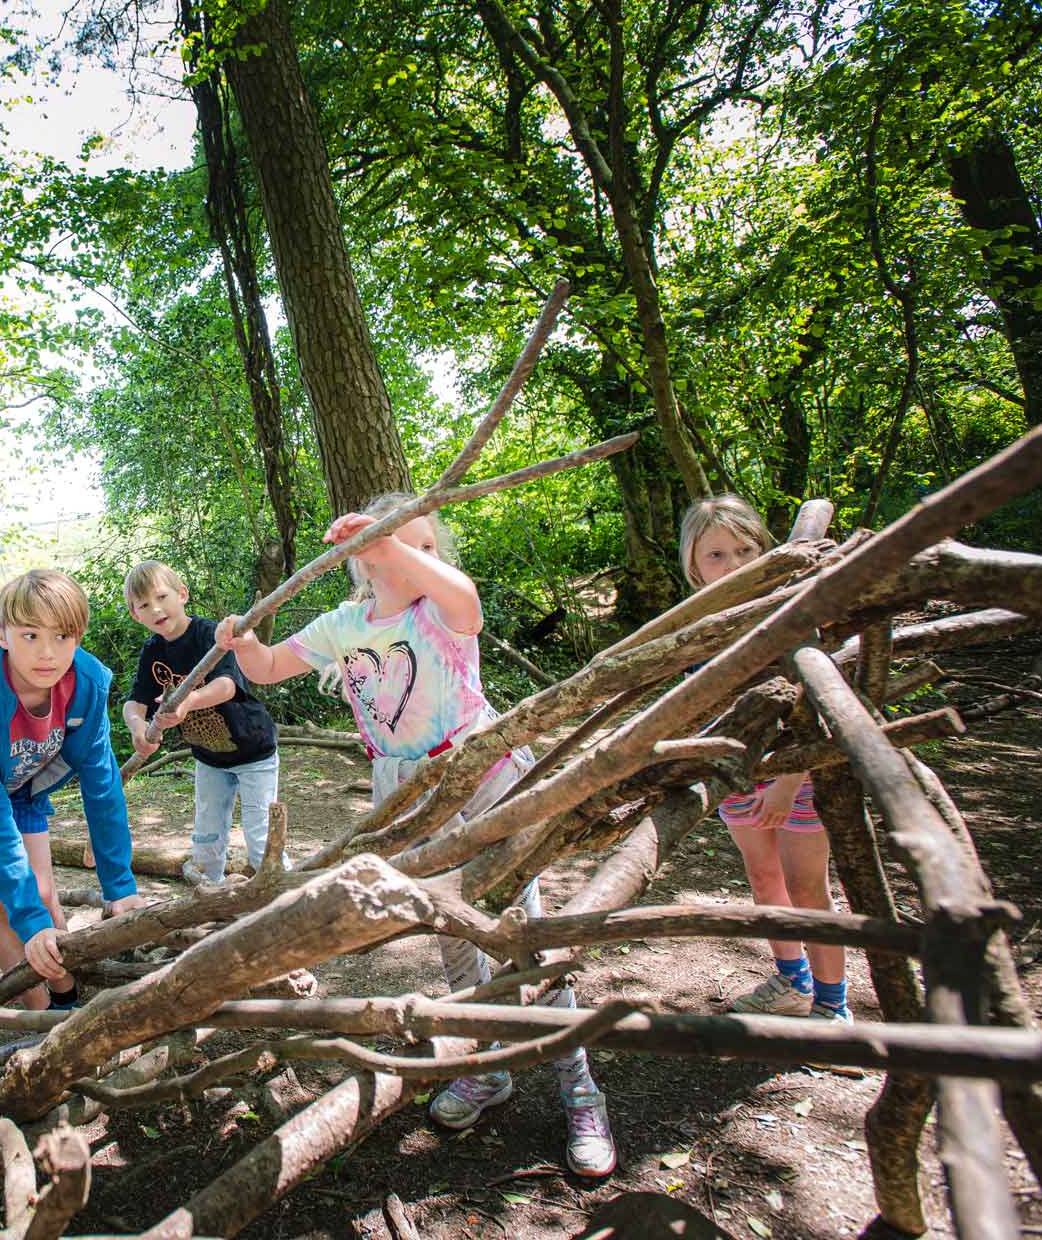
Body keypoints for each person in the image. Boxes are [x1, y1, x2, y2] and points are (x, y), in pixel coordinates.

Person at [215, 497, 617, 1178]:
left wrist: (395, 547)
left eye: (428, 549)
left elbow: (467, 600)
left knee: (526, 931)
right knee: (453, 937)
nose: (419, 559)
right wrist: (242, 645)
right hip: (408, 798)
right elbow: (269, 668)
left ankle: (579, 1089)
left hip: (484, 776)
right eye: (404, 546)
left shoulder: (440, 615)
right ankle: (485, 1067)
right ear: (362, 559)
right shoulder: (345, 625)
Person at [0, 569, 148, 1010]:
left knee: (44, 890)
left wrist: (119, 884)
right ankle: (38, 1022)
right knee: (2, 900)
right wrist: (32, 923)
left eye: (62, 636)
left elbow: (102, 782)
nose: (48, 653)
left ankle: (65, 997)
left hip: (22, 769)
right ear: (2, 633)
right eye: (30, 635)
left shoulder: (86, 685)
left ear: (78, 637)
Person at [679, 494, 851, 1023]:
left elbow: (814, 704)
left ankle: (833, 1006)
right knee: (763, 877)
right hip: (741, 778)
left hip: (797, 777)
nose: (732, 564)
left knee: (806, 886)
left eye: (743, 550)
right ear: (693, 565)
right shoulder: (698, 624)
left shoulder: (789, 615)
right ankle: (792, 981)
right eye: (716, 555)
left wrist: (787, 782)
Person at [122, 560, 283, 884]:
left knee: (259, 833)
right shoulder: (153, 650)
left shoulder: (211, 635)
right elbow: (136, 701)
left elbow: (227, 685)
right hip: (208, 758)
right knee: (207, 835)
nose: (155, 609)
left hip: (253, 750)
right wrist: (138, 726)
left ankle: (281, 891)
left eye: (162, 597)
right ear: (135, 615)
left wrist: (189, 701)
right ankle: (211, 894)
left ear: (182, 594)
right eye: (144, 605)